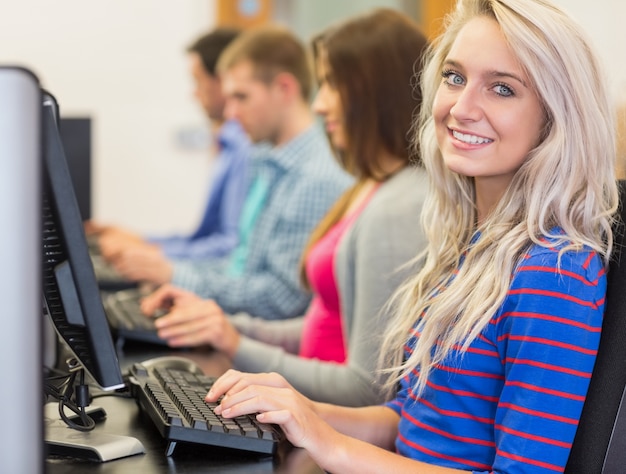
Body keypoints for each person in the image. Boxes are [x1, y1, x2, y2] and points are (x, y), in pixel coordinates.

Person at [200, 0, 620, 472]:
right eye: (455, 77)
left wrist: (330, 445)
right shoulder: (472, 245)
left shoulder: (555, 272)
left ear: (556, 117)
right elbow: (412, 421)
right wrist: (300, 410)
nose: (461, 108)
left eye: (502, 89)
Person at [140, 9, 430, 407]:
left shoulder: (398, 206)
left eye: (332, 85)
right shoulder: (370, 187)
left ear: (375, 94)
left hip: (326, 421)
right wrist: (226, 327)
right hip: (312, 405)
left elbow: (367, 388)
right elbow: (321, 326)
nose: (321, 104)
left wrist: (238, 344)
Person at [119, 25, 352, 320]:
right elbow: (237, 265)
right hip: (238, 325)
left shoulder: (315, 178)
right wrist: (175, 275)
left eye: (241, 97)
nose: (230, 112)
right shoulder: (265, 161)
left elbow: (281, 299)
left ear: (284, 88)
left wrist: (176, 274)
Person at [90, 28, 253, 268]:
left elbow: (227, 246)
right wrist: (140, 241)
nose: (194, 94)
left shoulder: (244, 147)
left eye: (199, 82)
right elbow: (203, 238)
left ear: (221, 81)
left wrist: (149, 251)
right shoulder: (227, 143)